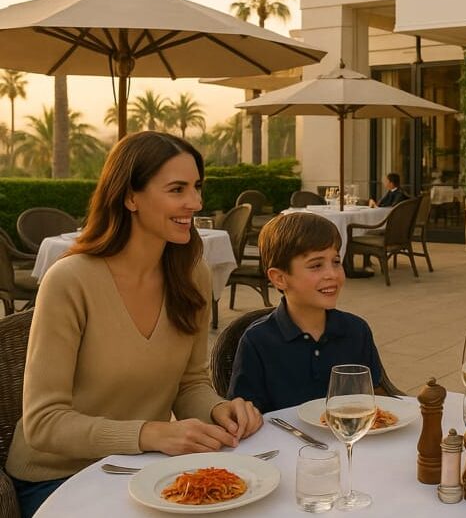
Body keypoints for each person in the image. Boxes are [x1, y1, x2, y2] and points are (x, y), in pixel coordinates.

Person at [5, 131, 263, 517]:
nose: (195, 202)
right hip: (57, 477)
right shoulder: (71, 280)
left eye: (196, 187)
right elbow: (44, 423)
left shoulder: (193, 274)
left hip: (142, 469)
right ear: (130, 197)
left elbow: (190, 383)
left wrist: (218, 409)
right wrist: (151, 433)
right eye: (177, 189)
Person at [227, 212, 384, 413]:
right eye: (316, 265)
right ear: (279, 278)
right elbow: (245, 413)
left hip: (345, 432)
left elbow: (373, 396)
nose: (332, 274)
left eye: (336, 261)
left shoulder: (356, 330)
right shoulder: (257, 341)